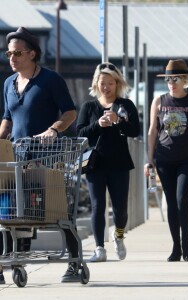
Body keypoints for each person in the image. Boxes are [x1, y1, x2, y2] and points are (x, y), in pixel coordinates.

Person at [0, 27, 79, 283]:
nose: (11, 58)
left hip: (46, 156)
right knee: (8, 211)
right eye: (9, 53)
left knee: (57, 211)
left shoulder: (50, 80)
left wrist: (54, 130)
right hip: (17, 156)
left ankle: (75, 262)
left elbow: (70, 112)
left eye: (17, 53)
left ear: (32, 54)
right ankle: (8, 263)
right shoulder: (8, 84)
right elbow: (8, 118)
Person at [144, 59, 188, 262]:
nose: (171, 83)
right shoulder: (159, 101)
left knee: (182, 198)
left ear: (184, 80)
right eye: (168, 79)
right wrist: (149, 160)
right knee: (171, 203)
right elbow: (152, 131)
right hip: (164, 160)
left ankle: (186, 240)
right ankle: (175, 246)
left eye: (175, 79)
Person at [76, 62, 140, 262]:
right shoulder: (88, 106)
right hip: (96, 163)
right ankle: (99, 248)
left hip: (119, 163)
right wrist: (98, 124)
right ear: (96, 84)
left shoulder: (125, 105)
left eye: (110, 83)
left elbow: (135, 130)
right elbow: (80, 132)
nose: (106, 87)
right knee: (97, 206)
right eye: (103, 83)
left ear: (117, 84)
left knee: (120, 209)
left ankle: (119, 235)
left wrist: (118, 121)